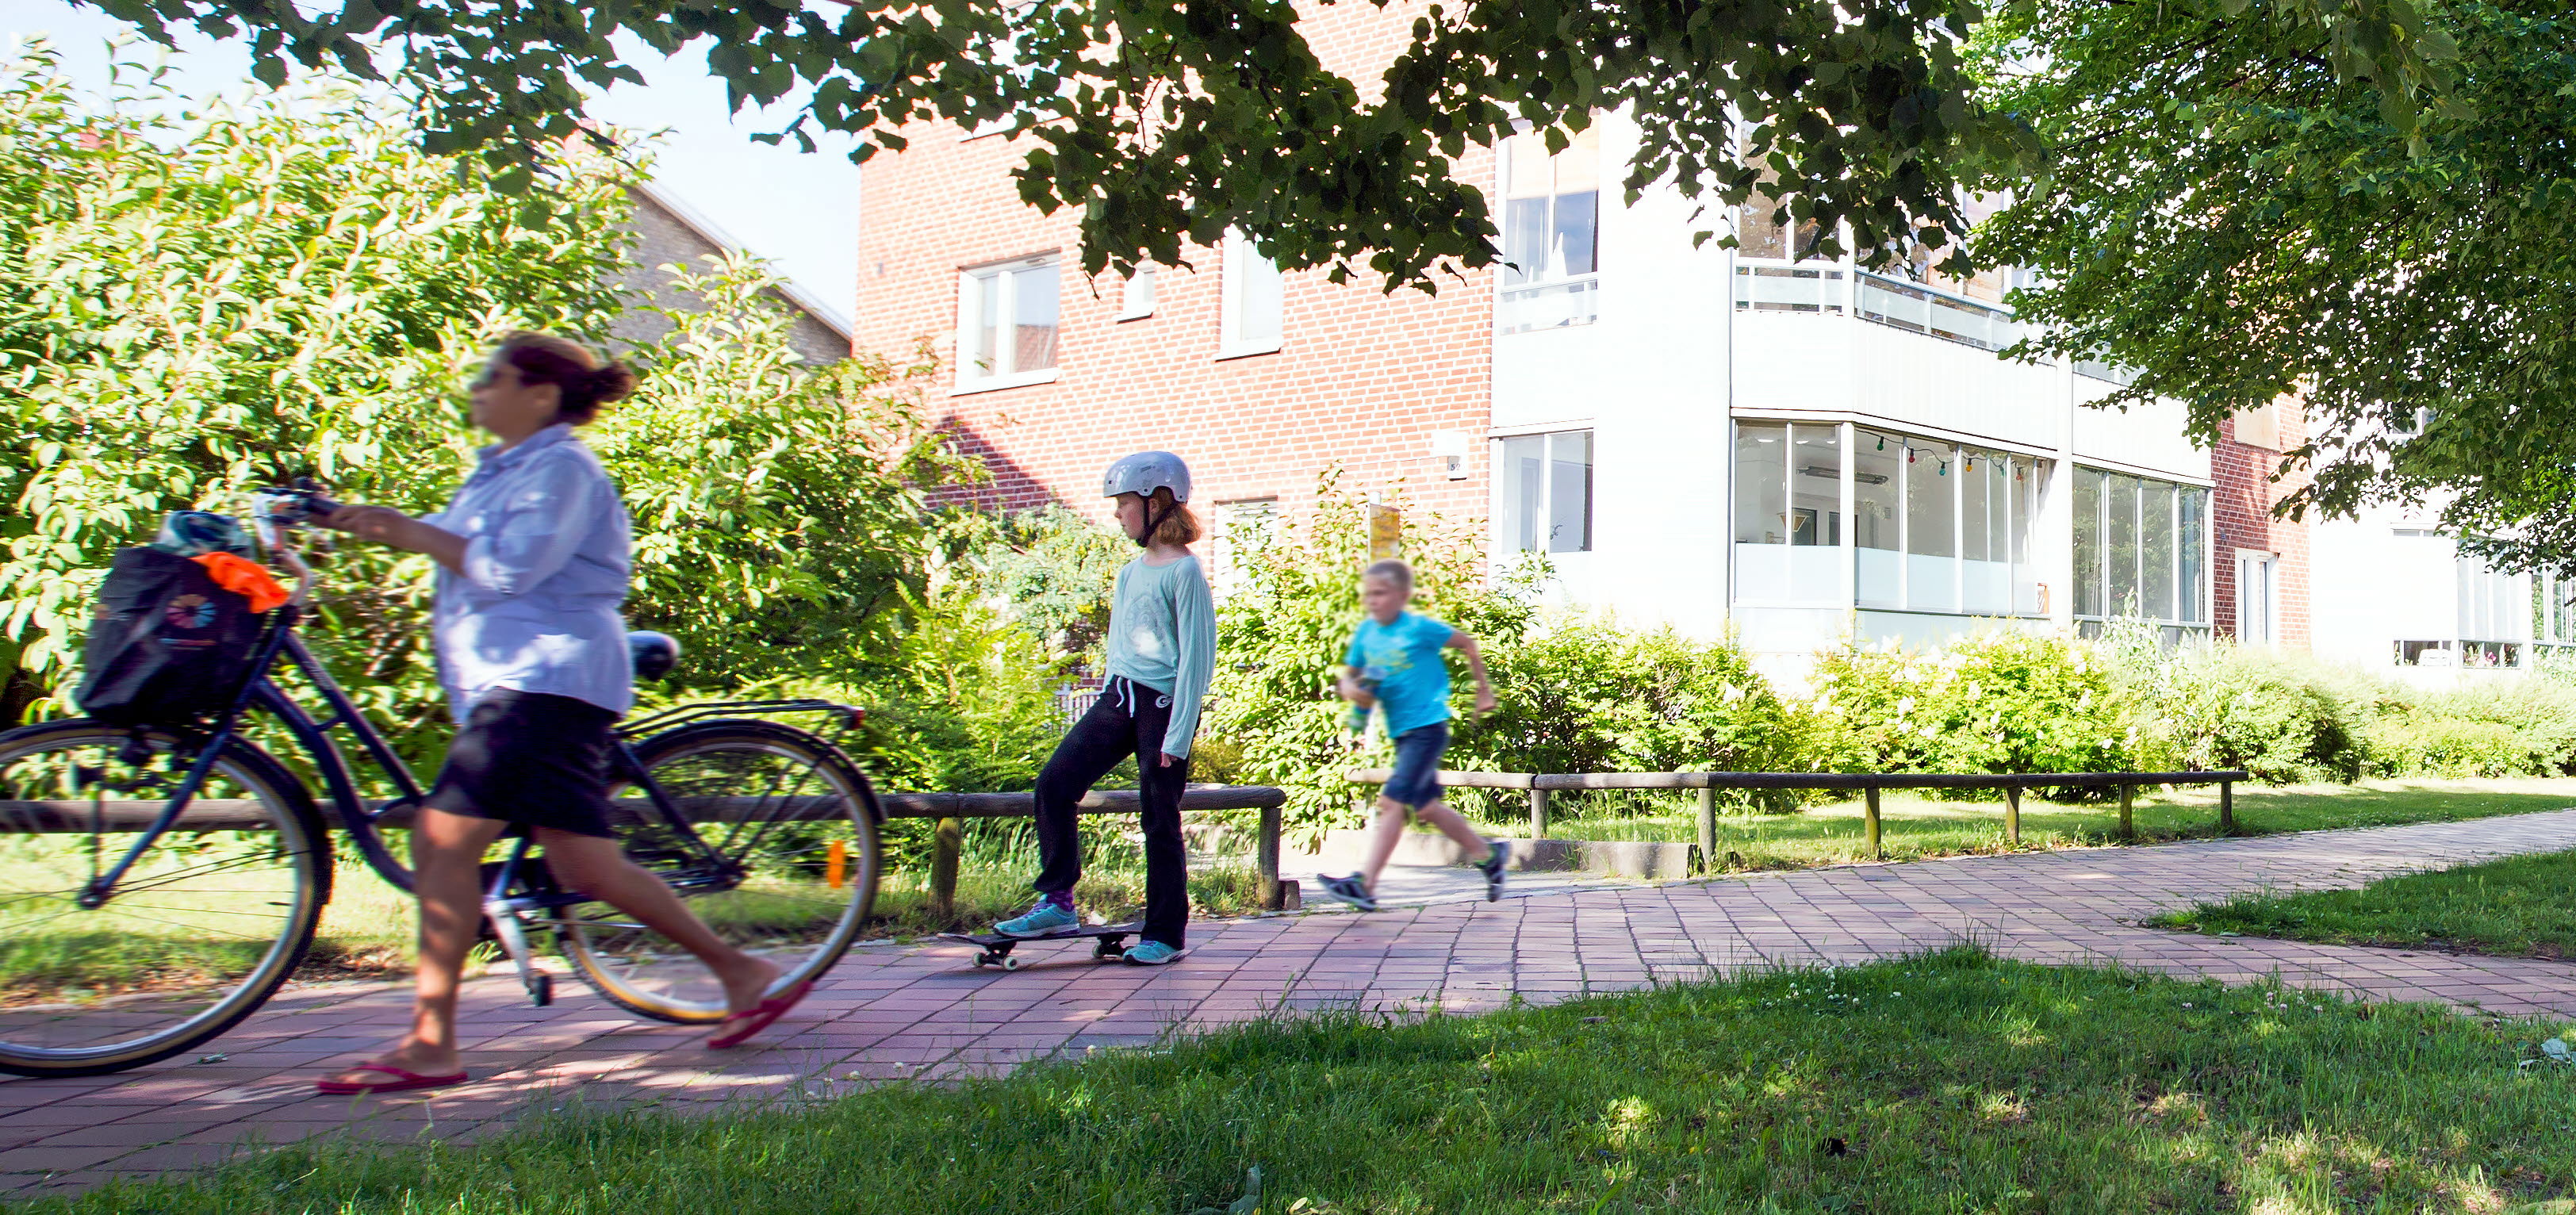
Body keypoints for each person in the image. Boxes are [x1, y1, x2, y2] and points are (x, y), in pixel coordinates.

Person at [311, 332, 803, 1095]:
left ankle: (431, 1043)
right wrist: (344, 525)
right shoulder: (500, 473)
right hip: (527, 686)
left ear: (541, 395)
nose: (477, 389)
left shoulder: (564, 468)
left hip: (542, 681)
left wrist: (405, 530)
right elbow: (460, 560)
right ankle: (742, 972)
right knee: (585, 865)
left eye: (493, 377)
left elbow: (511, 568)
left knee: (442, 846)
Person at [991, 451, 1214, 965]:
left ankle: (1166, 934)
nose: (1117, 514)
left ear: (1156, 503)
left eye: (1123, 504)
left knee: (1159, 818)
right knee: (1055, 784)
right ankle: (1058, 901)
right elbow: (1121, 647)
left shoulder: (1185, 574)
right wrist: (1110, 700)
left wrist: (1177, 737)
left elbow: (1197, 662)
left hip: (1163, 708)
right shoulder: (1130, 572)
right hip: (1119, 699)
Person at [1317, 559, 1506, 911]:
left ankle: (1365, 885)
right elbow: (1359, 676)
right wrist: (1351, 692)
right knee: (1428, 809)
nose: (1373, 600)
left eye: (1381, 593)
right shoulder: (1368, 634)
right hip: (1403, 734)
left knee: (1391, 802)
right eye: (1368, 594)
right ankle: (1489, 854)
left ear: (1403, 596)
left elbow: (1467, 644)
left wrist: (1483, 690)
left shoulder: (1420, 629)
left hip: (1428, 729)